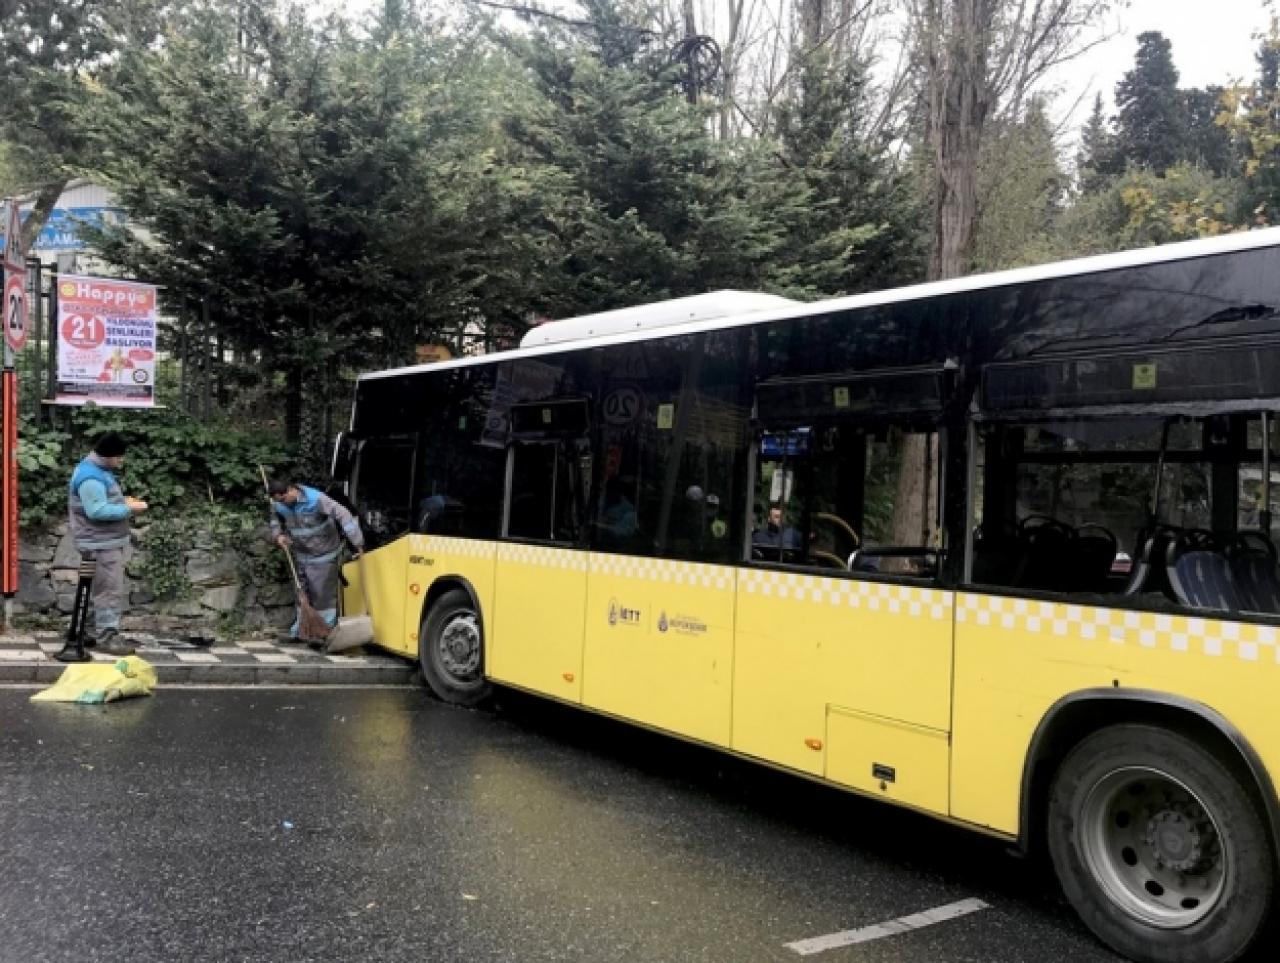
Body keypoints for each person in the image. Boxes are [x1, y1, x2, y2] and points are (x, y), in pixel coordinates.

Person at [67, 431, 148, 656]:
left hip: (100, 540)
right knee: (109, 590)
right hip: (100, 542)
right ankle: (107, 636)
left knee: (98, 589)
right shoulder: (91, 477)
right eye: (119, 457)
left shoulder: (95, 470)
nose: (121, 461)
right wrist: (130, 508)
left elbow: (101, 501)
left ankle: (88, 630)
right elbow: (96, 510)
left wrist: (122, 502)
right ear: (109, 455)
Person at [267, 479, 365, 643]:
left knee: (322, 597)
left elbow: (344, 514)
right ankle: (303, 628)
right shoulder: (278, 504)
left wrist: (357, 542)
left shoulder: (316, 499)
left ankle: (324, 631)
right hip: (300, 553)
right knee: (302, 594)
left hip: (323, 553)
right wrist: (278, 535)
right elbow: (275, 519)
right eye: (278, 501)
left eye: (283, 499)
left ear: (291, 490)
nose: (281, 504)